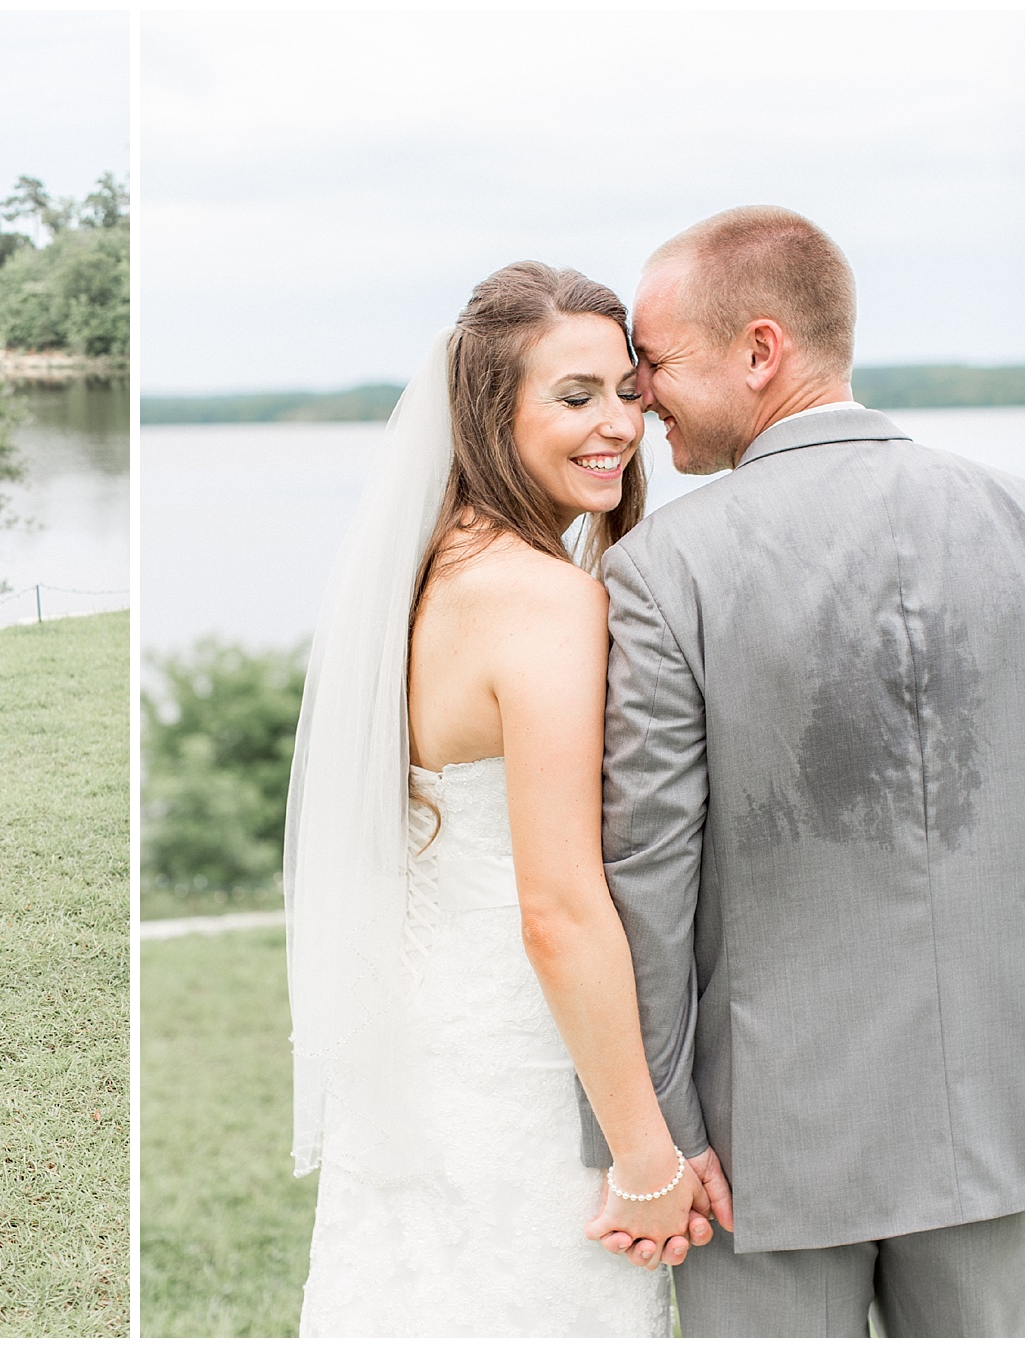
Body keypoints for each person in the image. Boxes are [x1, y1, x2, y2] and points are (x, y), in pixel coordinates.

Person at [584, 206, 1023, 1336]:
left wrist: (662, 1133)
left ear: (761, 350)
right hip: (1005, 1113)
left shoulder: (660, 569)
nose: (639, 393)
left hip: (766, 1148)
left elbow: (644, 875)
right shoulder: (1007, 515)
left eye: (654, 360)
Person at [288, 263, 716, 1337]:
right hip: (522, 1070)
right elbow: (559, 907)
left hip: (422, 1047)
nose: (618, 422)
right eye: (575, 396)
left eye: (627, 389)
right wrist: (645, 1153)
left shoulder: (431, 575)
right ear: (492, 412)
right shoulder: (545, 598)